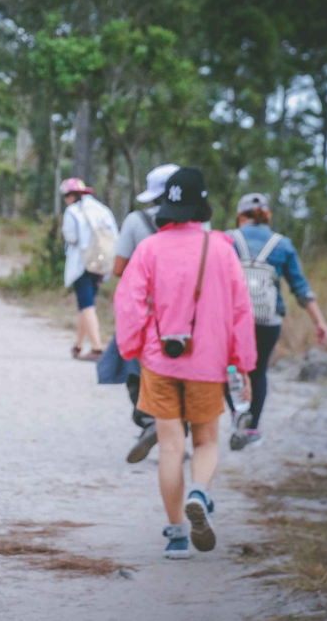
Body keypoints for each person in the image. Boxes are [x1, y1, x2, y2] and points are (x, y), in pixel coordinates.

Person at [114, 167, 256, 559]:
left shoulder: (149, 248)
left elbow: (128, 302)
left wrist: (132, 347)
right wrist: (242, 364)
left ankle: (176, 535)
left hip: (159, 362)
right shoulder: (222, 249)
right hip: (208, 364)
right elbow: (241, 310)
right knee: (206, 441)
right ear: (202, 204)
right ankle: (199, 492)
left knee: (170, 448)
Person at [226, 193, 327, 449]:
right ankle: (252, 430)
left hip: (232, 319)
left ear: (240, 216)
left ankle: (238, 412)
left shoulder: (227, 239)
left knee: (229, 370)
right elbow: (300, 288)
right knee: (259, 371)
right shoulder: (282, 244)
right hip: (268, 320)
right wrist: (319, 322)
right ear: (267, 215)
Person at [101, 164, 179, 464]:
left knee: (133, 365)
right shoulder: (201, 227)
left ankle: (148, 420)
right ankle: (175, 432)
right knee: (178, 370)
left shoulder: (136, 220)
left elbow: (118, 268)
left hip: (145, 311)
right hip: (184, 314)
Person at [60, 178, 119, 361]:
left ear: (72, 195)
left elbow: (71, 237)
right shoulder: (103, 210)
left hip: (82, 263)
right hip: (102, 263)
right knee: (87, 306)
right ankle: (78, 346)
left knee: (86, 305)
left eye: (66, 196)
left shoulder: (72, 211)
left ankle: (97, 348)